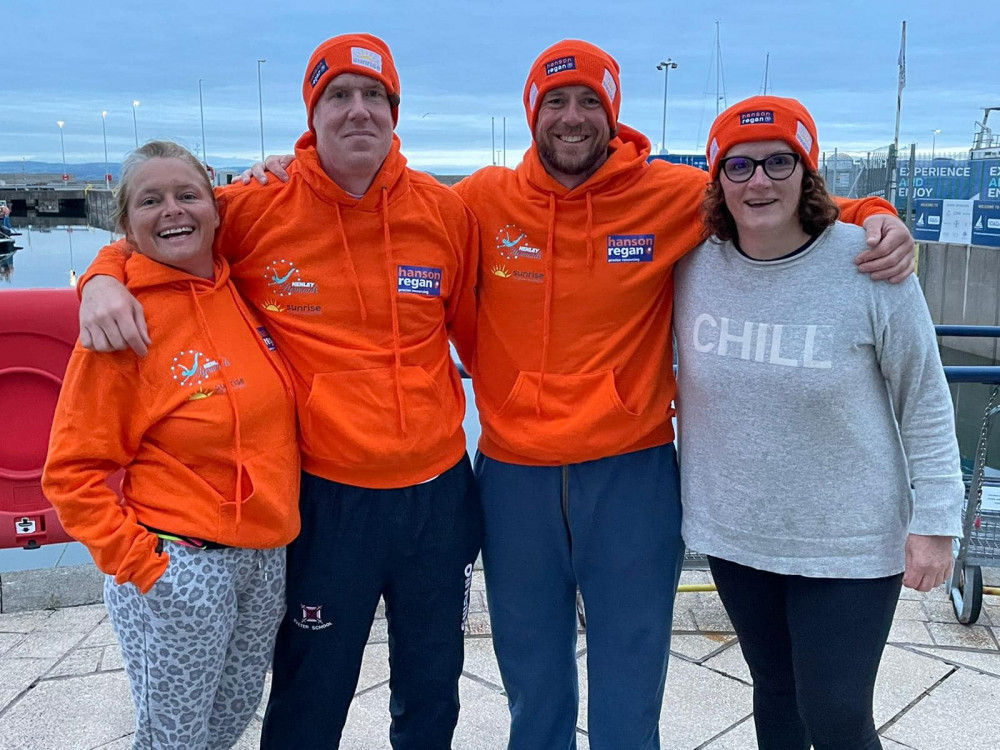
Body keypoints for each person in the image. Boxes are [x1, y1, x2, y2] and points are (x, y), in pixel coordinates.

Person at [242, 38, 916, 749]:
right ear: (532, 112)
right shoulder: (479, 201)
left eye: (590, 100)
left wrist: (873, 211)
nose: (572, 117)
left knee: (630, 682)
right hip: (513, 479)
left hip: (631, 473)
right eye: (556, 101)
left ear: (613, 113)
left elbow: (773, 197)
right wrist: (280, 173)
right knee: (533, 685)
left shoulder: (669, 195)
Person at [75, 34, 481, 750]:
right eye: (338, 96)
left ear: (395, 111)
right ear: (312, 113)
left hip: (437, 493)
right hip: (326, 498)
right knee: (310, 689)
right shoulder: (257, 209)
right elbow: (167, 227)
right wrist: (102, 274)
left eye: (374, 96)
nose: (358, 111)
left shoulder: (445, 214)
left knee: (434, 681)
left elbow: (473, 335)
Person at [673, 95, 962, 750]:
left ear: (808, 172)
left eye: (780, 161)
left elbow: (924, 396)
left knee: (835, 714)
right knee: (775, 695)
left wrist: (937, 522)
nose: (759, 181)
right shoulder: (692, 268)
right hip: (737, 536)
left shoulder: (867, 264)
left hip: (849, 544)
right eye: (738, 166)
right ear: (716, 179)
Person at [42, 141, 300, 750]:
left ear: (215, 209)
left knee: (230, 720)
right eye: (149, 201)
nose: (172, 211)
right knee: (174, 740)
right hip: (179, 562)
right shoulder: (122, 322)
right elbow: (71, 472)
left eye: (187, 195)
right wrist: (146, 566)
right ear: (126, 225)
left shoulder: (236, 287)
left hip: (263, 556)